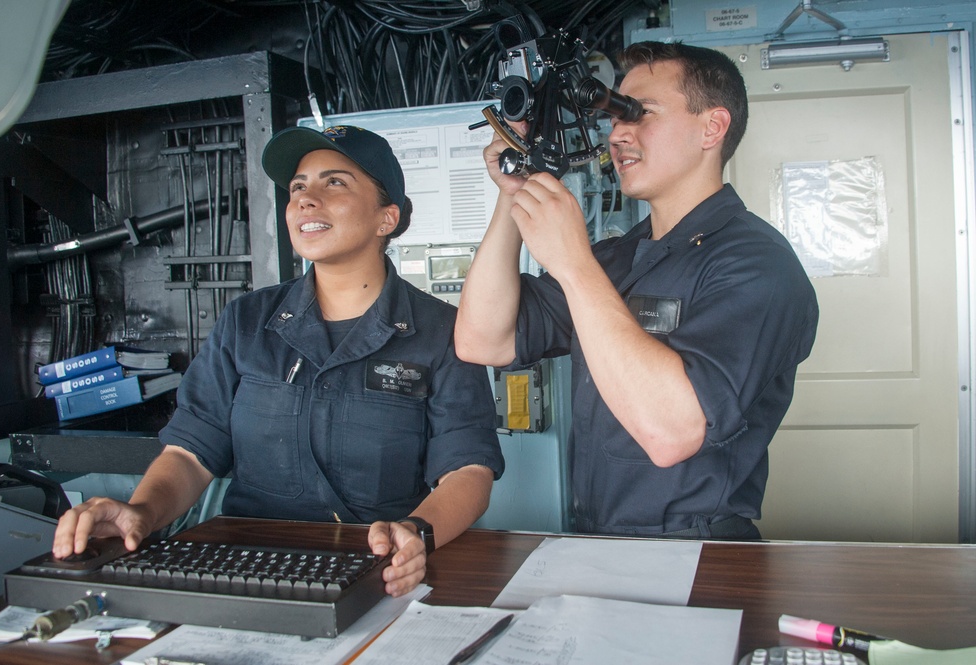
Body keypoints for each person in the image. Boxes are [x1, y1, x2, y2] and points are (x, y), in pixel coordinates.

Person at [53, 125, 505, 596]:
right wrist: (141, 513)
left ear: (386, 218)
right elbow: (191, 451)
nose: (307, 199)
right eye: (297, 188)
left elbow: (467, 468)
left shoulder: (443, 332)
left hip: (380, 570)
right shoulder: (247, 321)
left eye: (334, 182)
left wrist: (417, 533)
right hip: (245, 564)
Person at [455, 41, 818, 539]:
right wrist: (511, 195)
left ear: (711, 127)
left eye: (639, 114)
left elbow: (671, 434)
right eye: (613, 117)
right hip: (600, 538)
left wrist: (574, 263)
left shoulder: (758, 266)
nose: (618, 134)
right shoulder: (617, 258)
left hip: (696, 550)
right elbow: (483, 339)